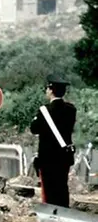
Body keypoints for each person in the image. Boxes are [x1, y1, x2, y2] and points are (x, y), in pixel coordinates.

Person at [30, 74, 77, 208]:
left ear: (50, 90)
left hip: (47, 157)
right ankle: (64, 211)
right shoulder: (71, 110)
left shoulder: (44, 111)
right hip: (64, 155)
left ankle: (51, 214)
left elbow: (34, 129)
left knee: (49, 188)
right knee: (62, 186)